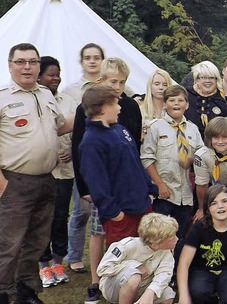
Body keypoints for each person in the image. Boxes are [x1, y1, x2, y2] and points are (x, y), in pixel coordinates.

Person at [0, 43, 72, 304]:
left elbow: (61, 127)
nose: (27, 67)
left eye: (32, 61)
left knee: (37, 241)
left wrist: (91, 109)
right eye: (20, 62)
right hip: (15, 181)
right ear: (10, 65)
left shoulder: (46, 95)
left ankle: (26, 291)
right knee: (10, 244)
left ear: (39, 66)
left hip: (46, 180)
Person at [71, 57, 144, 304]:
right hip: (100, 187)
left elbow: (135, 147)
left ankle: (133, 283)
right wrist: (84, 188)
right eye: (113, 81)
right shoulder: (87, 109)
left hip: (128, 186)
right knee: (100, 231)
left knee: (129, 238)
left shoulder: (130, 108)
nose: (118, 86)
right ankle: (96, 280)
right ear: (101, 80)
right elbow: (79, 150)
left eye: (122, 82)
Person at [141, 84, 203, 261]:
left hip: (185, 193)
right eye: (172, 100)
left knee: (180, 235)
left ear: (187, 104)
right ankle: (159, 270)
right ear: (165, 104)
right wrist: (159, 184)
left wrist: (191, 160)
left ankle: (176, 271)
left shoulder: (192, 129)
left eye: (180, 100)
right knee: (161, 235)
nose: (176, 104)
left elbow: (200, 155)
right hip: (165, 192)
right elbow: (147, 158)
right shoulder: (155, 128)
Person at [62, 43, 105, 275]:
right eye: (87, 57)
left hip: (105, 156)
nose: (92, 61)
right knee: (82, 209)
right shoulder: (72, 91)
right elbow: (68, 123)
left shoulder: (114, 85)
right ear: (81, 62)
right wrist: (69, 146)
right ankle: (74, 254)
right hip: (81, 154)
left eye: (96, 57)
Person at [37, 56, 78, 288]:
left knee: (61, 217)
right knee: (43, 218)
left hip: (64, 170)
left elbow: (76, 131)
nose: (55, 78)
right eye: (51, 74)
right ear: (40, 76)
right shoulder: (35, 100)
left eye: (58, 73)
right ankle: (43, 265)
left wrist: (72, 149)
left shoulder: (68, 100)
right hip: (42, 170)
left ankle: (58, 262)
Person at [177, 185, 227, 304]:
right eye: (213, 203)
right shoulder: (198, 228)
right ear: (207, 209)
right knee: (199, 292)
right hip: (202, 270)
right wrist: (183, 296)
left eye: (225, 201)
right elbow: (184, 263)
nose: (220, 206)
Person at [97, 213, 177, 304]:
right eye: (171, 239)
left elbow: (164, 274)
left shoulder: (166, 251)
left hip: (143, 287)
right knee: (134, 277)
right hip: (115, 287)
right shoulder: (127, 246)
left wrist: (150, 291)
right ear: (155, 245)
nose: (176, 239)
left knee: (168, 295)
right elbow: (102, 269)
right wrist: (134, 266)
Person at [185, 61, 227, 136]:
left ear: (217, 80)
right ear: (197, 80)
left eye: (211, 78)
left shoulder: (220, 101)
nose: (208, 81)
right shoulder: (185, 97)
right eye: (204, 77)